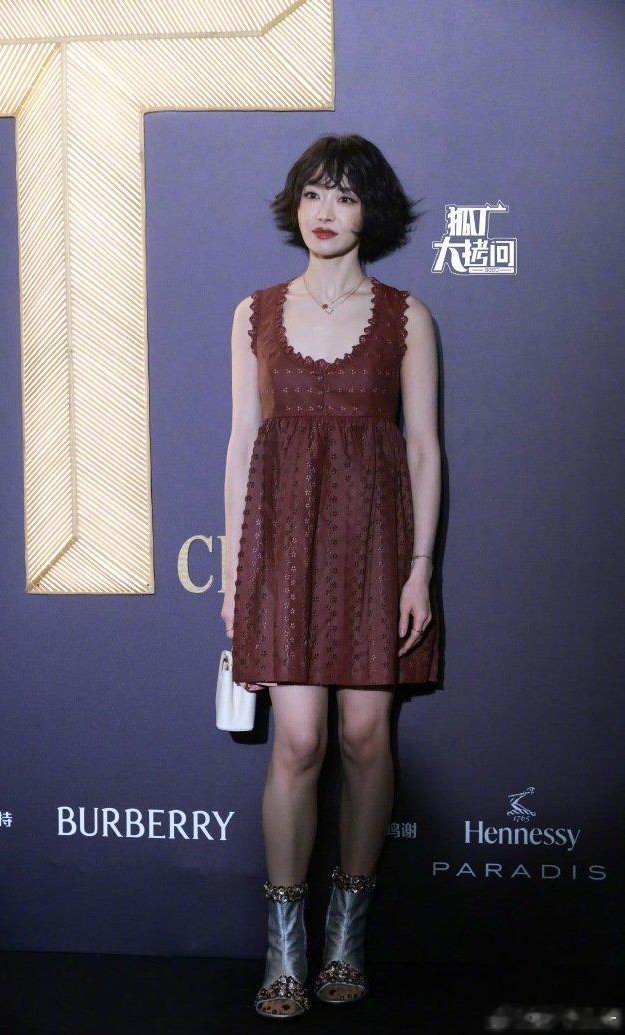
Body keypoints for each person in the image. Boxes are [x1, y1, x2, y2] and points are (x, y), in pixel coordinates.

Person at [221, 134, 442, 1019]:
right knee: (299, 742)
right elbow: (242, 443)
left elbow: (423, 448)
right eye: (314, 192)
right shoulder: (254, 312)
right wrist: (235, 572)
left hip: (376, 548)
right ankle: (286, 945)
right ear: (295, 203)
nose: (325, 211)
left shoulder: (407, 317)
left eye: (346, 196)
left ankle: (348, 929)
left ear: (369, 212)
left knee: (364, 736)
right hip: (284, 547)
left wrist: (419, 570)